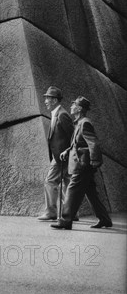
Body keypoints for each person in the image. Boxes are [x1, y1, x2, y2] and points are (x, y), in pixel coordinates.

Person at [51, 96, 113, 230]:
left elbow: (93, 143)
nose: (71, 107)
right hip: (81, 163)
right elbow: (78, 143)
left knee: (72, 190)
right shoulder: (78, 122)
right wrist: (67, 151)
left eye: (74, 105)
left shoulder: (85, 123)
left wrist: (95, 160)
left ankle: (65, 220)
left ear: (79, 108)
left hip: (82, 164)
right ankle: (105, 219)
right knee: (91, 193)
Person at [38, 86, 75, 221]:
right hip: (60, 156)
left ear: (54, 100)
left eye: (47, 98)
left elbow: (73, 137)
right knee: (67, 184)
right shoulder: (56, 113)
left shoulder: (62, 115)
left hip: (61, 157)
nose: (46, 101)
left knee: (50, 182)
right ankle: (71, 212)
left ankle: (51, 212)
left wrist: (68, 152)